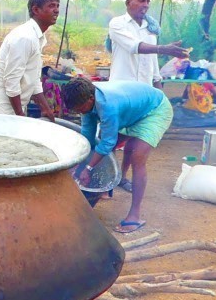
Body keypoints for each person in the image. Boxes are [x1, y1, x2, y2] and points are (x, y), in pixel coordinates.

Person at [61, 77, 173, 233]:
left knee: (136, 155)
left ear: (91, 99)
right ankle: (111, 185)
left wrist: (88, 168)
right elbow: (88, 137)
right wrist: (78, 165)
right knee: (109, 147)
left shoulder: (107, 105)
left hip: (154, 109)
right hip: (132, 110)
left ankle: (135, 215)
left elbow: (106, 142)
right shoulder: (85, 97)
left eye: (80, 108)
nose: (80, 112)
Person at [0, 0, 57, 122]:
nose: (56, 10)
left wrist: (46, 108)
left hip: (8, 103)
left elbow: (34, 78)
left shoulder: (38, 38)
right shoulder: (25, 37)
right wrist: (20, 117)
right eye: (51, 6)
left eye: (57, 6)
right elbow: (11, 80)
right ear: (36, 10)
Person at [108, 0, 189, 89]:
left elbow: (153, 63)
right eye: (141, 1)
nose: (146, 5)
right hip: (121, 89)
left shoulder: (150, 28)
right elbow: (134, 46)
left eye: (148, 1)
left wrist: (160, 92)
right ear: (128, 3)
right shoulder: (117, 23)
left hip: (145, 89)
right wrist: (163, 49)